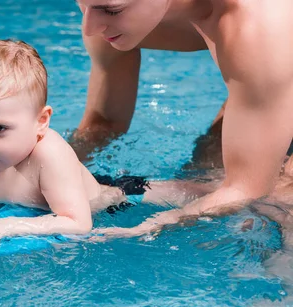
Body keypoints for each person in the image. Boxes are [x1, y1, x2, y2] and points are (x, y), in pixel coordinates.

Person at [74, 0, 293, 239]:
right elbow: (104, 123)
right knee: (205, 171)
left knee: (276, 206)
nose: (89, 28)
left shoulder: (257, 29)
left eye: (112, 10)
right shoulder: (100, 7)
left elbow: (245, 190)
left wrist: (147, 226)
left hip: (272, 59)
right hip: (268, 76)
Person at [0, 39, 141, 247]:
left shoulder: (49, 156)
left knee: (166, 202)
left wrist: (8, 226)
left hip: (114, 204)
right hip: (53, 200)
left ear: (41, 121)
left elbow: (78, 223)